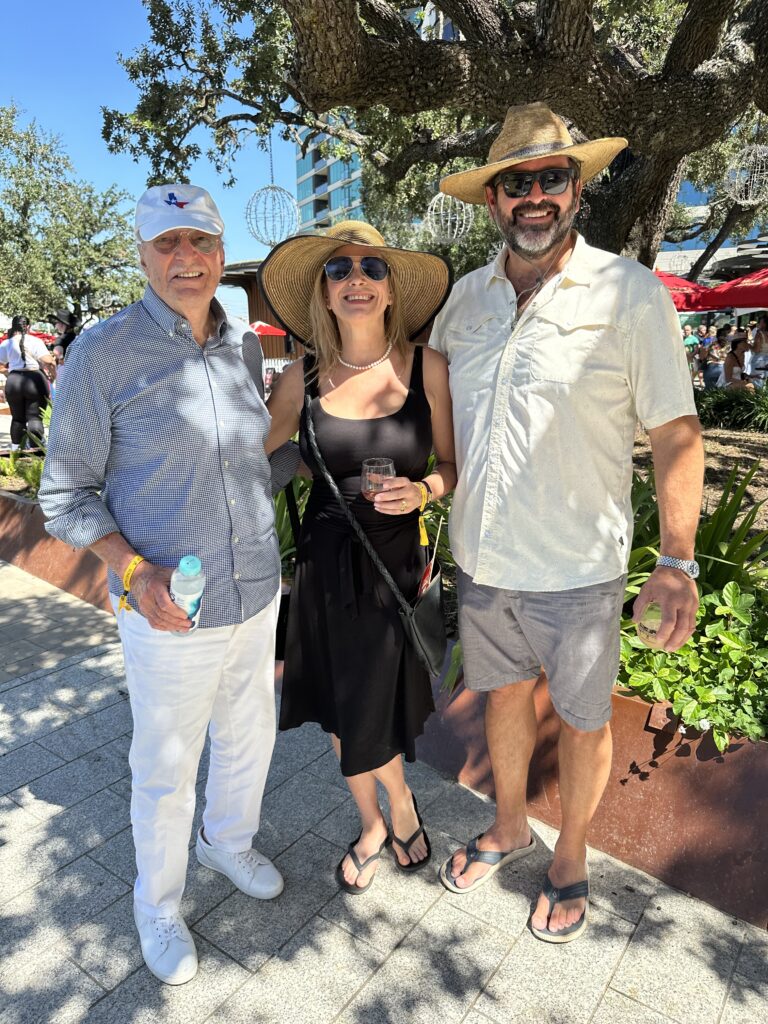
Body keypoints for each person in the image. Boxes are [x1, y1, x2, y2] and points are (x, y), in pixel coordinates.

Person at [432, 103, 704, 942]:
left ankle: (573, 854)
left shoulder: (629, 292)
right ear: (494, 201)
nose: (535, 197)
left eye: (553, 178)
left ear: (578, 191)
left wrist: (678, 561)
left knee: (586, 724)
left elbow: (675, 431)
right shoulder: (463, 303)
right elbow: (436, 404)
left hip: (581, 571)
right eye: (518, 183)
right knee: (503, 701)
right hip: (484, 561)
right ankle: (511, 824)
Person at [39, 184, 299, 985]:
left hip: (255, 589)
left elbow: (251, 460)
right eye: (167, 244)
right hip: (167, 608)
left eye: (200, 242)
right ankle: (157, 903)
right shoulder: (102, 354)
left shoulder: (245, 347)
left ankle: (227, 844)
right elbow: (64, 497)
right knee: (166, 762)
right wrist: (133, 570)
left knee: (249, 737)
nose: (185, 258)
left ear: (220, 254)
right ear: (142, 255)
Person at [260, 221, 456, 893]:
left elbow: (453, 467)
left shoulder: (429, 367)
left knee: (373, 698)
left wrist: (424, 489)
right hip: (323, 564)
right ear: (323, 290)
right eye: (339, 269)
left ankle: (394, 809)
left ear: (394, 288)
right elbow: (252, 454)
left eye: (373, 268)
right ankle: (378, 817)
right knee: (343, 704)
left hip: (393, 568)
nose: (356, 280)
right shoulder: (301, 376)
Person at [0, 315, 57, 450]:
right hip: (34, 379)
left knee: (17, 418)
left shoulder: (6, 343)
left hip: (14, 381)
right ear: (28, 327)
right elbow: (49, 360)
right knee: (34, 417)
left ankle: (16, 450)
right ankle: (35, 449)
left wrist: (9, 373)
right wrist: (52, 375)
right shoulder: (35, 341)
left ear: (13, 327)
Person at [745, 313, 768, 385]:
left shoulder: (759, 334)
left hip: (759, 359)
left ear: (764, 324)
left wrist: (748, 345)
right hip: (767, 360)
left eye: (760, 322)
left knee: (756, 381)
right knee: (764, 382)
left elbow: (756, 349)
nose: (759, 324)